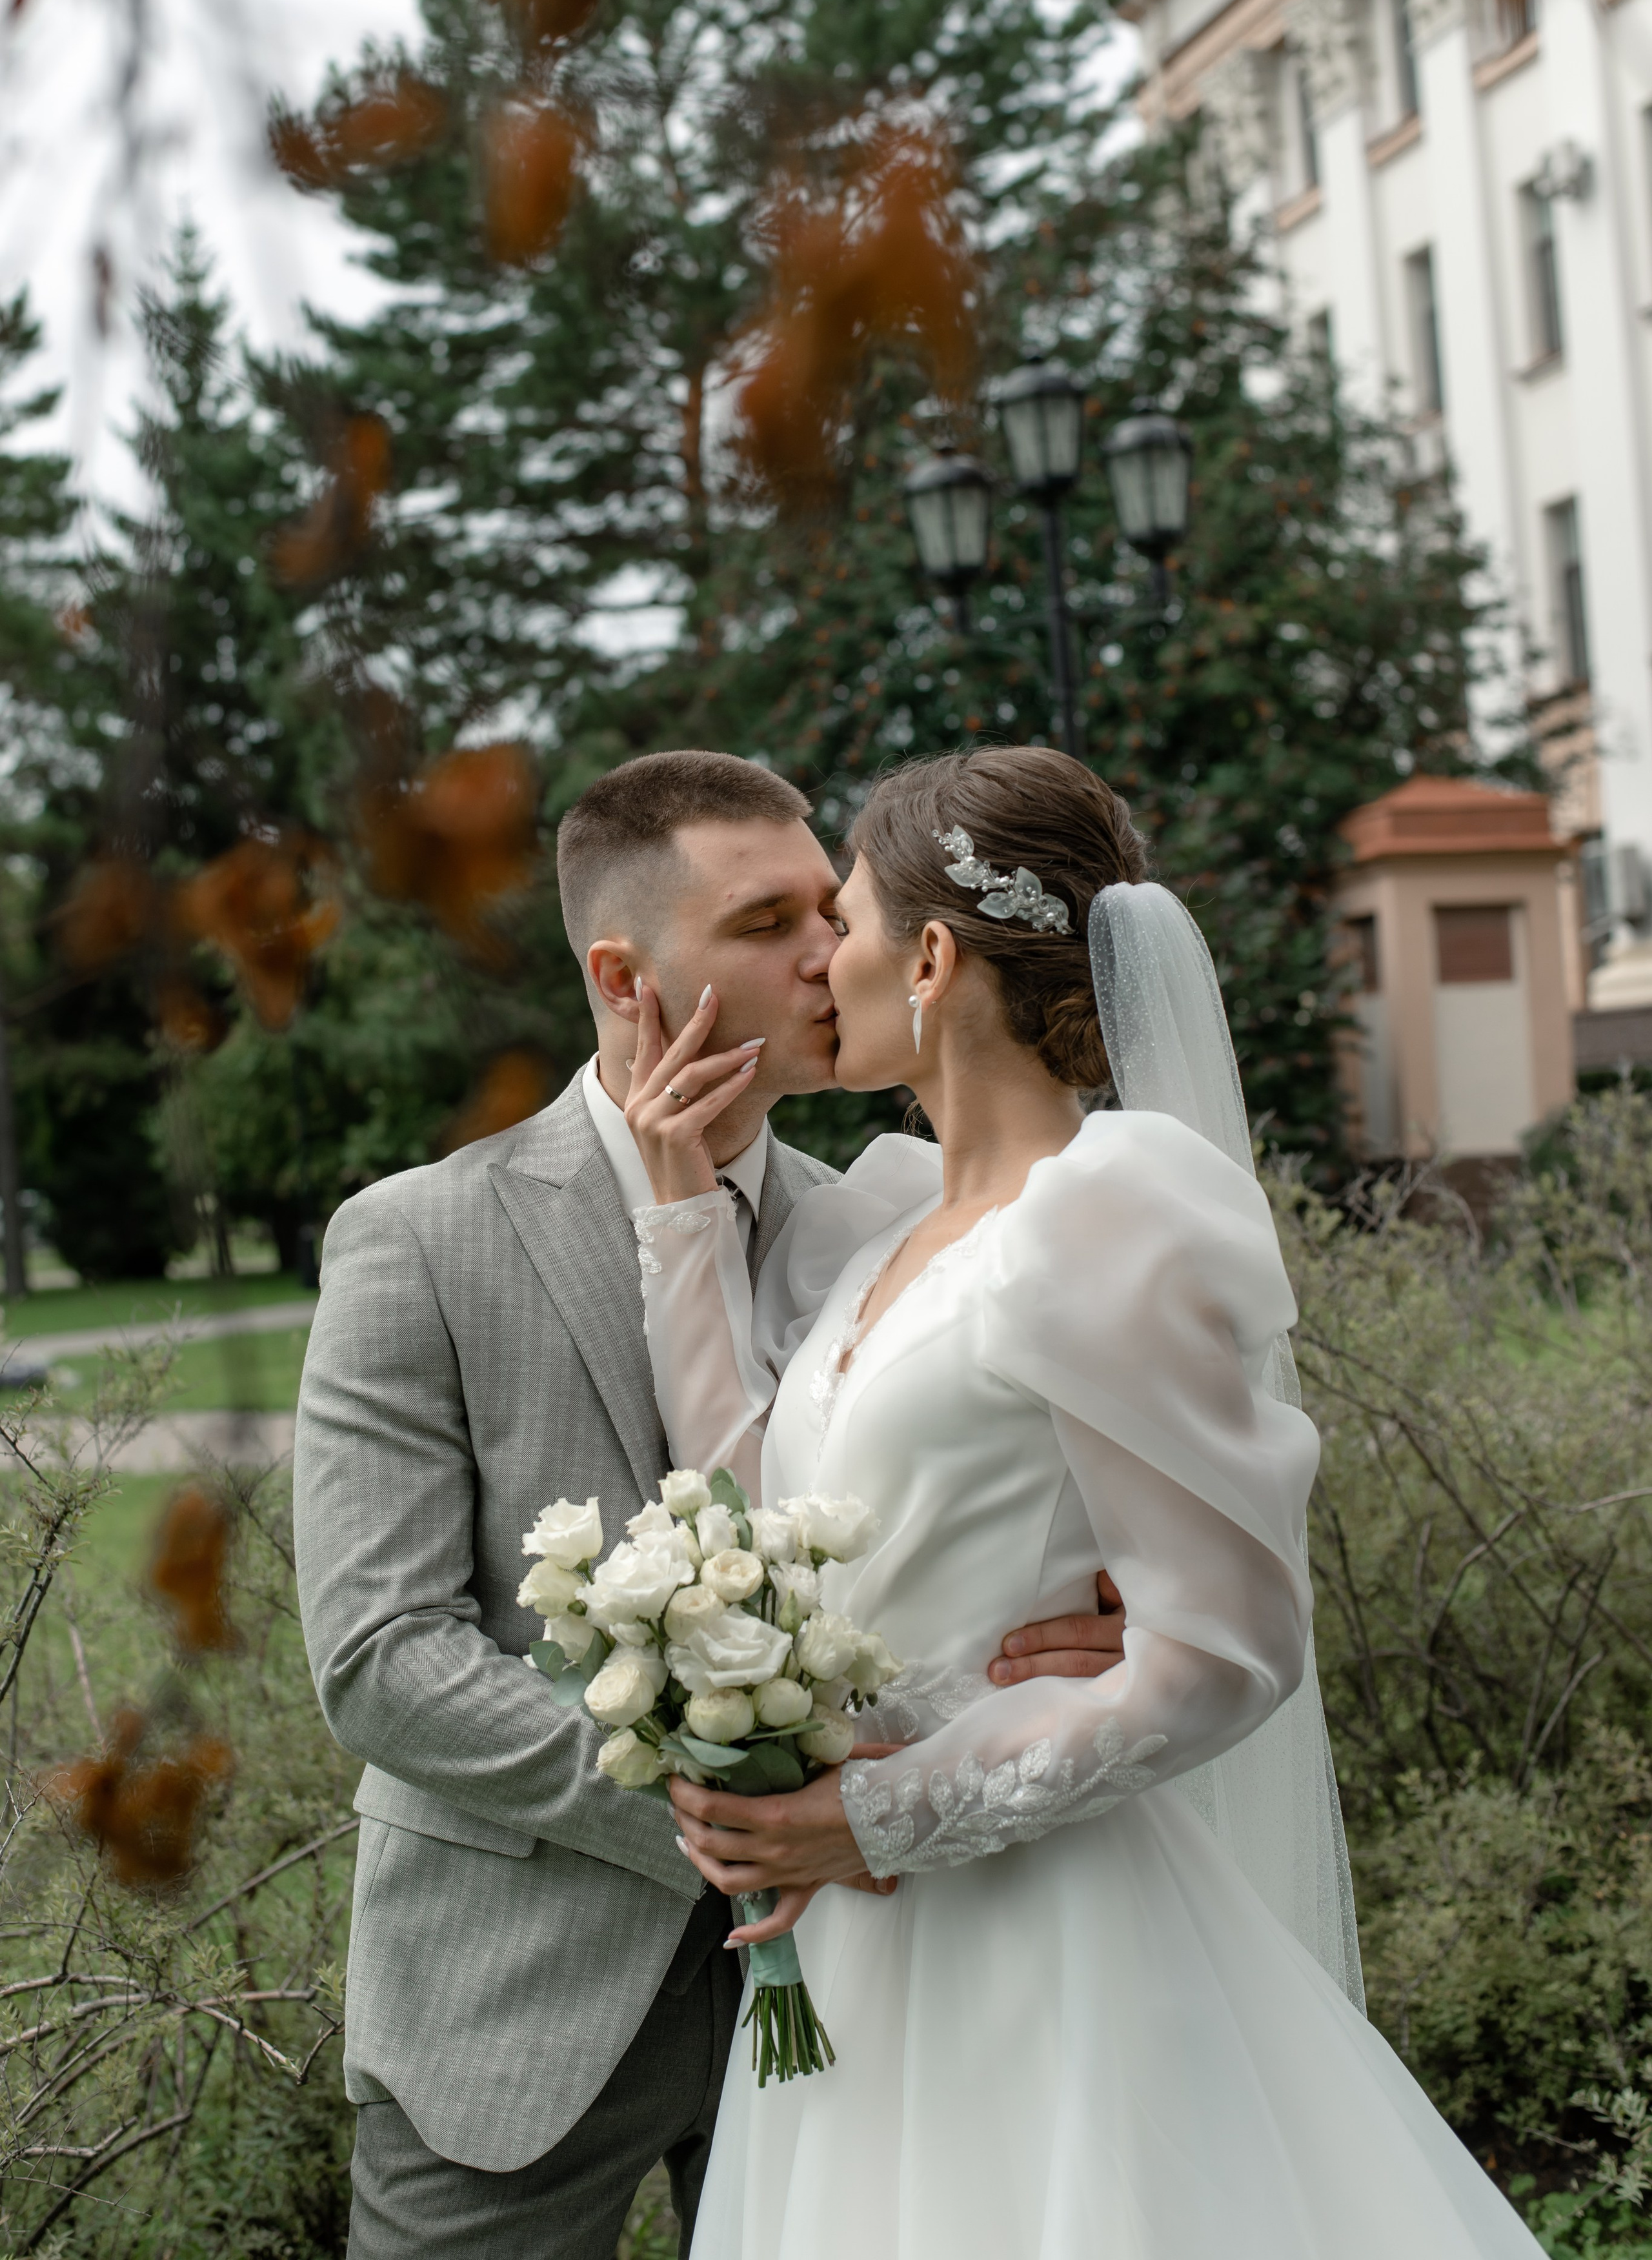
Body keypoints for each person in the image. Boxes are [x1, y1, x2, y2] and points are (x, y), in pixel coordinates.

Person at [623, 744, 1548, 2260]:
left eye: (843, 921)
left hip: (1049, 1936)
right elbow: (759, 1520)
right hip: (865, 1948)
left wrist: (872, 1814)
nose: (820, 960)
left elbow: (1224, 1650)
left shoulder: (1102, 1215)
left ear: (930, 959)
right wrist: (676, 1218)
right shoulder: (885, 1227)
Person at [292, 748, 1123, 2260]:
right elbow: (381, 1660)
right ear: (623, 979)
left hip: (878, 1993)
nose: (828, 952)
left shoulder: (889, 1223)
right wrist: (736, 1812)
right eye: (763, 925)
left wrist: (1095, 1619)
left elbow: (1014, 1516)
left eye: (829, 911)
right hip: (513, 2009)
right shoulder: (416, 1240)